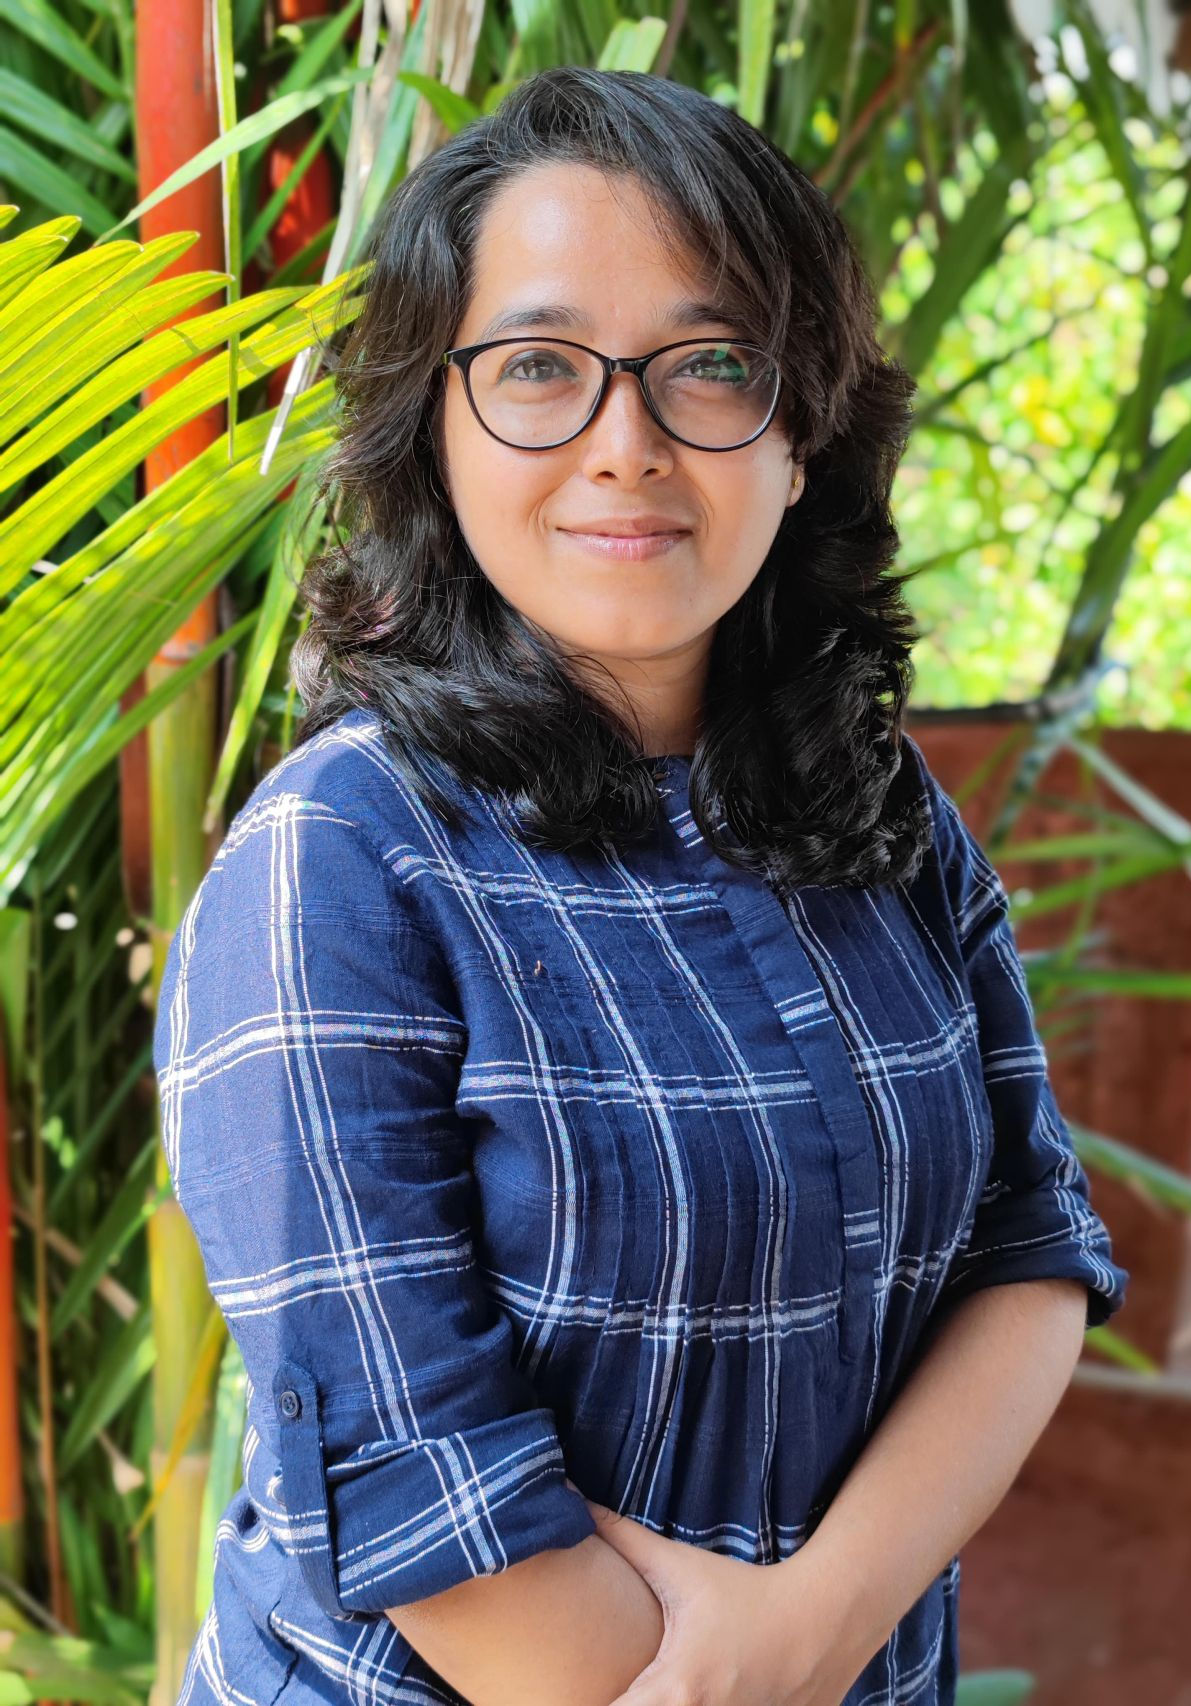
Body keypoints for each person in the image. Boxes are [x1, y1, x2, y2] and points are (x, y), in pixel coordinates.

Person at [154, 65, 1129, 1706]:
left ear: (803, 436)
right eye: (539, 367)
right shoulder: (339, 859)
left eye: (711, 364)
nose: (628, 444)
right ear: (437, 426)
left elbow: (1032, 1245)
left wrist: (811, 1629)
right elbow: (415, 1482)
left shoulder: (881, 806)